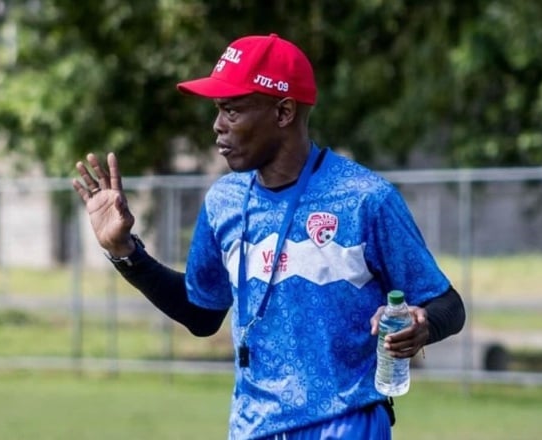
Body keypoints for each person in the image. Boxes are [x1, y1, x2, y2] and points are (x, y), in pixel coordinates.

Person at [73, 33, 466, 440]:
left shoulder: (365, 199)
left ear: (283, 112)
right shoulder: (223, 200)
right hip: (252, 429)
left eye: (232, 111)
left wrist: (421, 325)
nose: (217, 126)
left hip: (345, 424)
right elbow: (202, 314)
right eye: (217, 111)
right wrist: (124, 251)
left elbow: (448, 304)